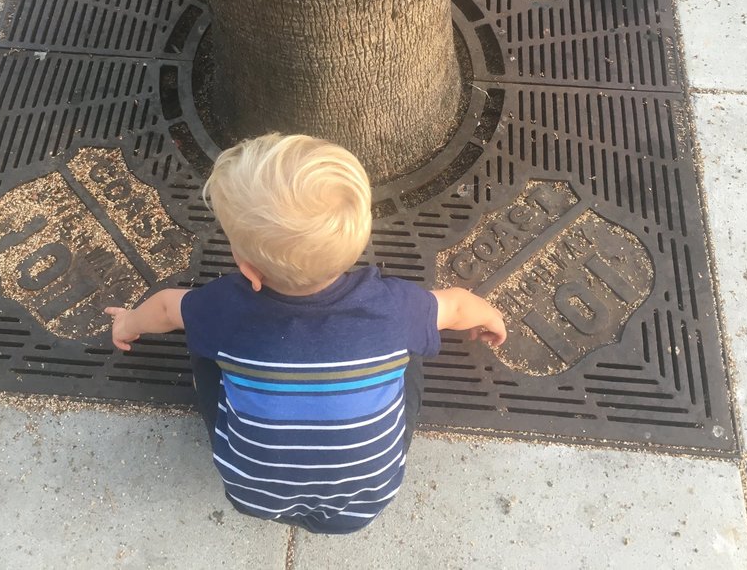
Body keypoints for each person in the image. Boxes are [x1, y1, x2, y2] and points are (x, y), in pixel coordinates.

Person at [107, 133, 505, 534]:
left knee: (202, 342)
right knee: (412, 350)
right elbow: (455, 305)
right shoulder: (395, 307)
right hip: (364, 501)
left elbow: (163, 308)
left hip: (254, 494)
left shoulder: (223, 307)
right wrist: (491, 318)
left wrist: (127, 323)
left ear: (248, 269)